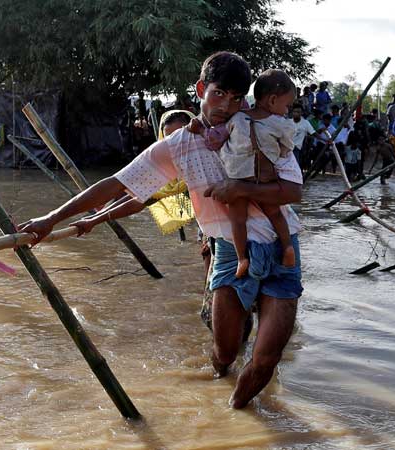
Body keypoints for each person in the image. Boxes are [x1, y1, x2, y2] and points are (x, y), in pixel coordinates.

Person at [19, 52, 303, 410]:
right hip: (229, 249)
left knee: (266, 359)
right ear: (201, 89)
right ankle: (219, 385)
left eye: (235, 98)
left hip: (282, 247)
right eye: (218, 94)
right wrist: (52, 219)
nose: (226, 106)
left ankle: (231, 418)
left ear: (245, 99)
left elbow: (294, 191)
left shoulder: (261, 126)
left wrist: (242, 190)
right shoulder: (180, 144)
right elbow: (119, 184)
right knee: (225, 351)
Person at [199, 68, 297, 278]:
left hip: (237, 178)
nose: (288, 111)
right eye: (287, 105)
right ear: (272, 100)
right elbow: (287, 148)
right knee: (276, 215)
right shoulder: (280, 123)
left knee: (237, 221)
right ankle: (288, 247)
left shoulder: (237, 118)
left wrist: (199, 130)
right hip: (264, 179)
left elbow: (214, 140)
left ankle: (241, 258)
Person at [70, 110, 195, 236]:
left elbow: (140, 198)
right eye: (169, 139)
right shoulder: (167, 165)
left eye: (179, 136)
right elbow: (138, 193)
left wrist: (95, 219)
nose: (176, 144)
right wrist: (95, 217)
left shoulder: (209, 153)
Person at [291, 104, 330, 169]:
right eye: (294, 112)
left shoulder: (305, 123)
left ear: (301, 113)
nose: (296, 114)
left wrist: (325, 140)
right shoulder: (288, 122)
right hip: (287, 147)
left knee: (296, 164)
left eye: (298, 112)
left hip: (297, 148)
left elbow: (314, 133)